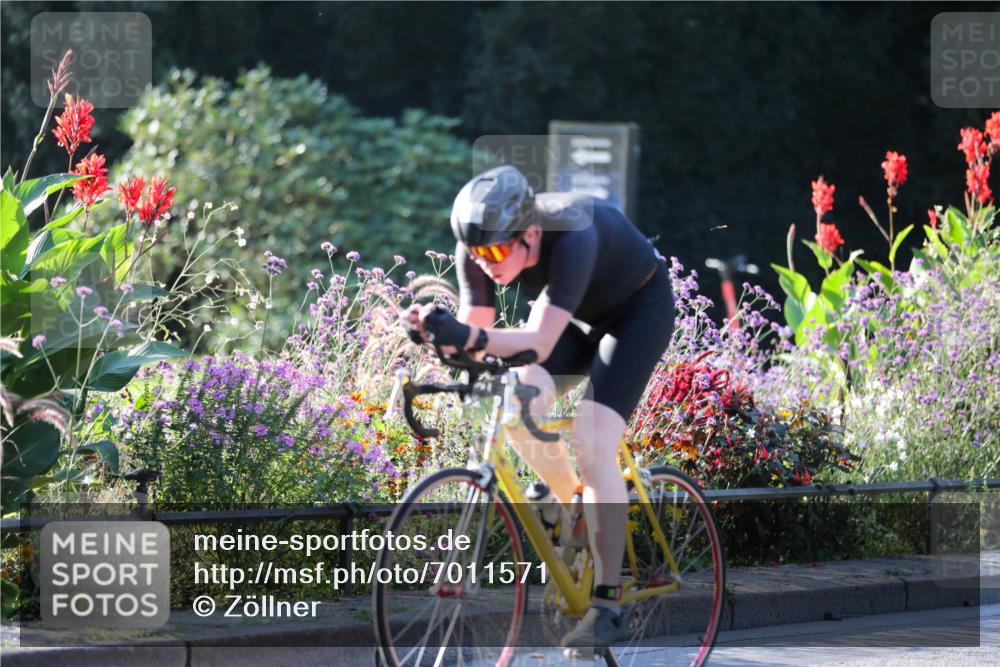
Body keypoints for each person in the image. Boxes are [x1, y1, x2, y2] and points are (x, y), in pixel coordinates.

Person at [401, 165, 674, 649]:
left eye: (498, 251)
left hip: (635, 312)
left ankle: (607, 604)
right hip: (573, 316)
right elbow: (479, 343)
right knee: (517, 403)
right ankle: (574, 509)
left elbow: (540, 341)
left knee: (592, 441)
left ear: (529, 233)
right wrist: (435, 334)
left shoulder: (572, 234)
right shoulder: (480, 245)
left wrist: (468, 336)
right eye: (478, 252)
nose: (487, 262)